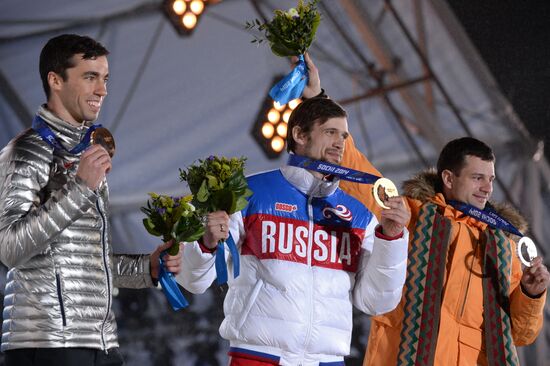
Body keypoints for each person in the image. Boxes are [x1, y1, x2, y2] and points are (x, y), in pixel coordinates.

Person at [177, 86, 411, 363]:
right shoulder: (249, 194)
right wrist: (205, 243)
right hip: (260, 356)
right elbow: (193, 280)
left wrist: (392, 239)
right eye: (330, 132)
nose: (340, 143)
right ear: (299, 135)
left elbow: (376, 301)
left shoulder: (359, 215)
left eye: (344, 135)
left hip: (327, 360)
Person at [0, 34, 182, 366]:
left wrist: (146, 269)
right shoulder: (26, 151)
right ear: (55, 80)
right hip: (47, 343)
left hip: (100, 342)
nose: (102, 90)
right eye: (89, 77)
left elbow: (83, 260)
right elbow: (9, 248)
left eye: (105, 78)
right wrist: (81, 188)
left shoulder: (86, 154)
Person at [344, 137, 549, 365]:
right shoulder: (411, 215)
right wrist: (334, 133)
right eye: (477, 178)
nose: (487, 188)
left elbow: (521, 335)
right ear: (449, 178)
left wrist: (530, 294)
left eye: (490, 179)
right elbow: (361, 180)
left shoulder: (503, 247)